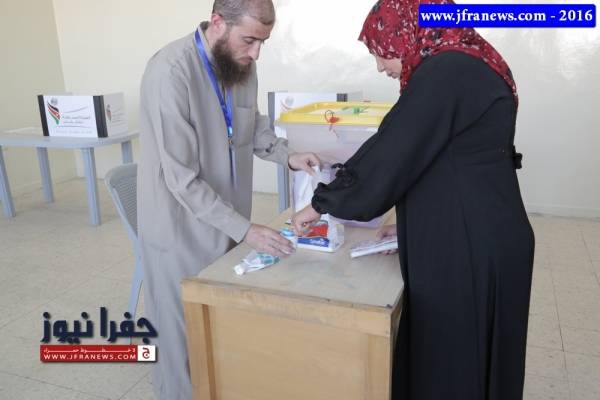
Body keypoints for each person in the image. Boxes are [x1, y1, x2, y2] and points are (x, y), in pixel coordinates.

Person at [292, 0, 535, 399]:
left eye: (380, 51)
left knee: (454, 363)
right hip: (482, 231)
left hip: (470, 247)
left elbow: (395, 151)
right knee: (474, 360)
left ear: (404, 32)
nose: (379, 66)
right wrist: (412, 225)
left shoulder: (446, 71)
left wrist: (321, 203)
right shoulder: (469, 60)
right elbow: (448, 161)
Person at [138, 1, 320, 398]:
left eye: (263, 42)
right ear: (218, 23)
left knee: (221, 328)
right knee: (181, 341)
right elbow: (182, 180)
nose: (256, 53)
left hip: (229, 221)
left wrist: (287, 155)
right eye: (250, 40)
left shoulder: (240, 64)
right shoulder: (170, 72)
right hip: (179, 229)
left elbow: (250, 126)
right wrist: (247, 230)